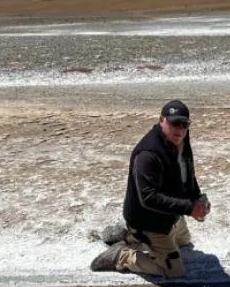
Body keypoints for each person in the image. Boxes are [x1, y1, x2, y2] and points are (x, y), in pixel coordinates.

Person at [90, 99, 210, 277]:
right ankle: (122, 255)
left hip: (171, 216)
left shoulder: (181, 139)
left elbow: (187, 173)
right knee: (173, 271)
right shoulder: (148, 154)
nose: (180, 129)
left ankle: (129, 236)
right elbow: (148, 198)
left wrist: (198, 199)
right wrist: (189, 208)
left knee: (184, 243)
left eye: (184, 124)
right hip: (150, 222)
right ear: (162, 120)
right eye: (175, 123)